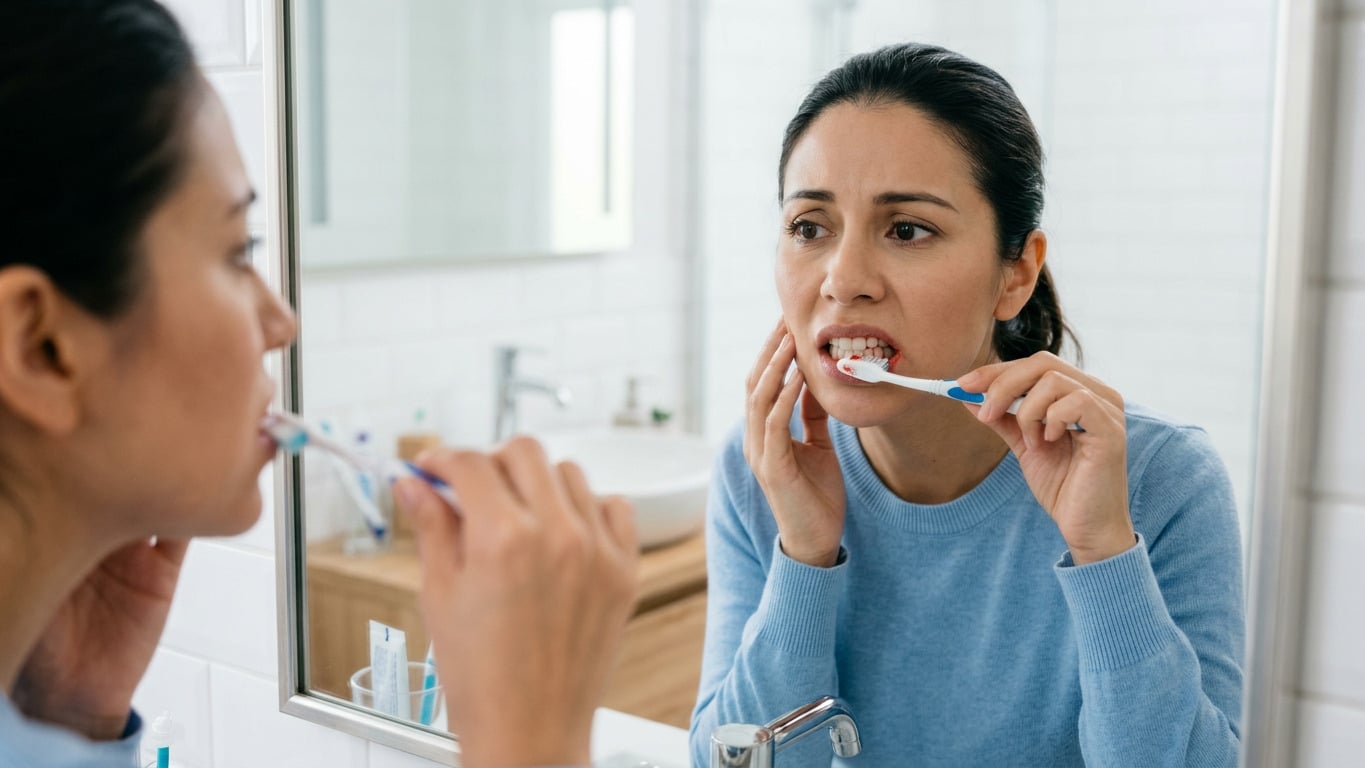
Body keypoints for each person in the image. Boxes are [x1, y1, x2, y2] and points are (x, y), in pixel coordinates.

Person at [0, 2, 638, 767]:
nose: (282, 323)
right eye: (240, 251)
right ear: (41, 348)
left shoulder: (52, 709)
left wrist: (71, 722)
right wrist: (532, 741)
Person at [690, 43, 1243, 766]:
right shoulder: (762, 466)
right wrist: (803, 555)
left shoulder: (1161, 481)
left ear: (1015, 273)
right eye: (810, 228)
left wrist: (1104, 550)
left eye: (907, 230)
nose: (843, 279)